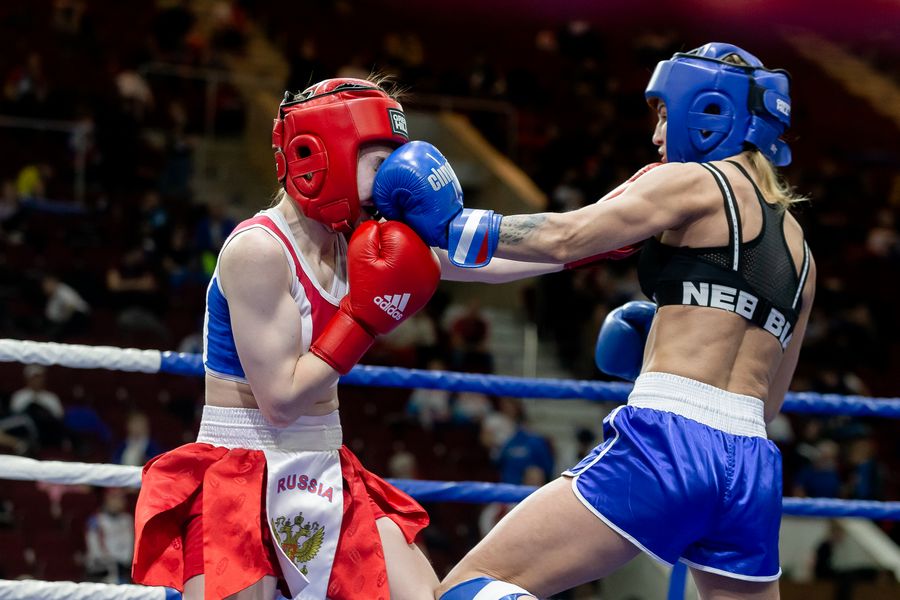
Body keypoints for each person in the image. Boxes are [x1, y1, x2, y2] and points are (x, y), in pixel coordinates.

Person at [373, 43, 815, 599]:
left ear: (710, 113)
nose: (657, 136)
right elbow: (769, 403)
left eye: (664, 115)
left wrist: (452, 225)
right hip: (751, 467)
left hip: (667, 443)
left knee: (470, 587)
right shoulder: (803, 253)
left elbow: (564, 237)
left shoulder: (696, 181)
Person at [130, 77, 562, 600]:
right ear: (325, 155)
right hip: (240, 467)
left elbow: (486, 260)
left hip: (323, 461)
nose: (390, 181)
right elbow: (281, 400)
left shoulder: (361, 240)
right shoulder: (258, 250)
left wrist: (589, 244)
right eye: (379, 165)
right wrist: (364, 317)